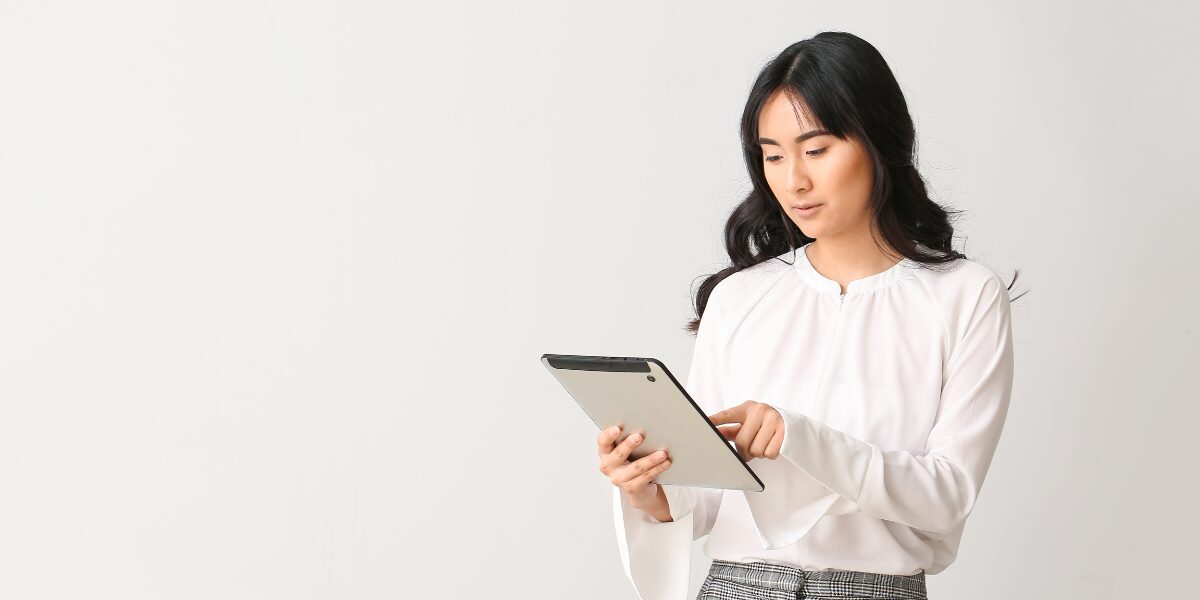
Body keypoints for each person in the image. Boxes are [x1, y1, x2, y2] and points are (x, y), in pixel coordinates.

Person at [595, 31, 1023, 600]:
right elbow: (708, 499)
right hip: (736, 588)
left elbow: (945, 498)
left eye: (816, 150)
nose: (793, 180)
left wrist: (800, 438)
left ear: (877, 142)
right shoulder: (741, 298)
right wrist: (648, 491)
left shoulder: (965, 295)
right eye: (772, 156)